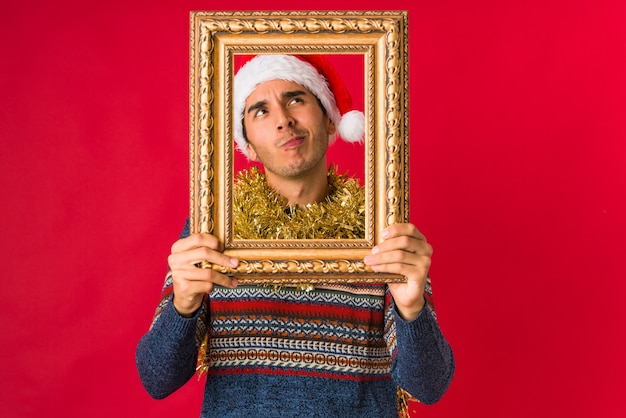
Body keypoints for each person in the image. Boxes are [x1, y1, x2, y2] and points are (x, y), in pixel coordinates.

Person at [136, 54, 455, 417]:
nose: (283, 120)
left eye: (295, 99)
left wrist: (412, 311)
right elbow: (157, 379)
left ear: (330, 119)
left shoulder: (382, 232)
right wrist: (183, 305)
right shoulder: (212, 230)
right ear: (248, 146)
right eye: (260, 111)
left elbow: (429, 387)